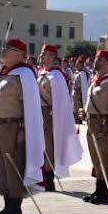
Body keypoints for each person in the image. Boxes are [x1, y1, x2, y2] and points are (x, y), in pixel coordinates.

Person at [0, 38, 44, 214]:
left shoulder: (24, 74)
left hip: (14, 127)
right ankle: (7, 204)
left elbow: (30, 106)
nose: (4, 51)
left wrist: (24, 130)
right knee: (2, 169)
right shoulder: (3, 73)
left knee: (13, 168)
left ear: (19, 54)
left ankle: (15, 209)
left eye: (8, 49)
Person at [80, 50, 108, 205]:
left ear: (107, 63)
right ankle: (98, 190)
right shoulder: (95, 80)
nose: (96, 61)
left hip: (103, 124)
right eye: (96, 58)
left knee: (103, 158)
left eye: (100, 59)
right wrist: (85, 112)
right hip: (91, 123)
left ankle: (103, 192)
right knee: (95, 159)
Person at [38, 45, 83, 189]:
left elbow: (61, 101)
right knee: (42, 146)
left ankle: (49, 178)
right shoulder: (42, 73)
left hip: (51, 115)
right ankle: (43, 175)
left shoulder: (56, 76)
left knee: (50, 146)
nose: (41, 55)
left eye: (44, 53)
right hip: (40, 114)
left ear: (52, 57)